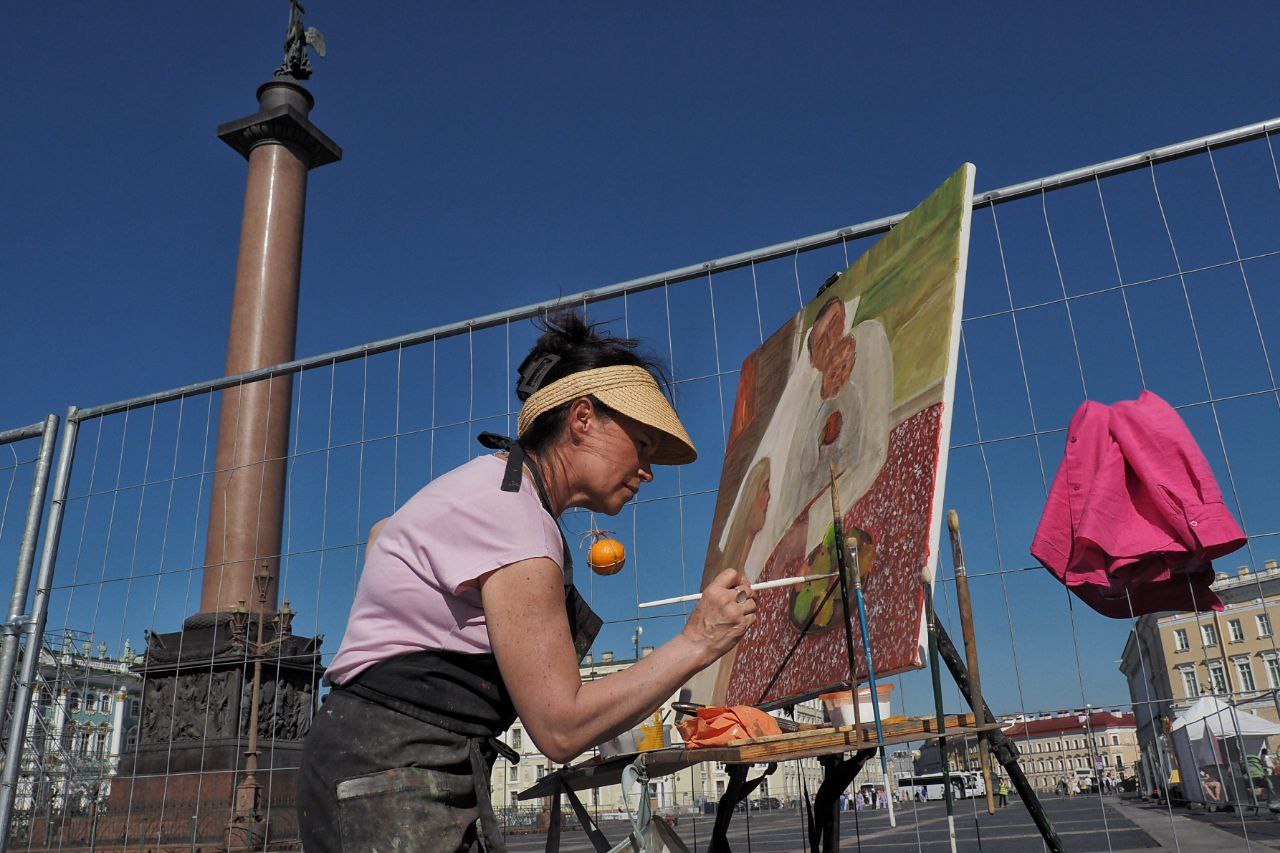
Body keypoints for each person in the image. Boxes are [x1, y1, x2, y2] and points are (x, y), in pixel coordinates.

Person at [296, 314, 757, 852]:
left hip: (366, 762)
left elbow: (382, 536)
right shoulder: (515, 518)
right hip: (389, 774)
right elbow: (560, 729)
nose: (648, 470)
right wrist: (697, 642)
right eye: (642, 444)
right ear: (582, 418)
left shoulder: (487, 486)